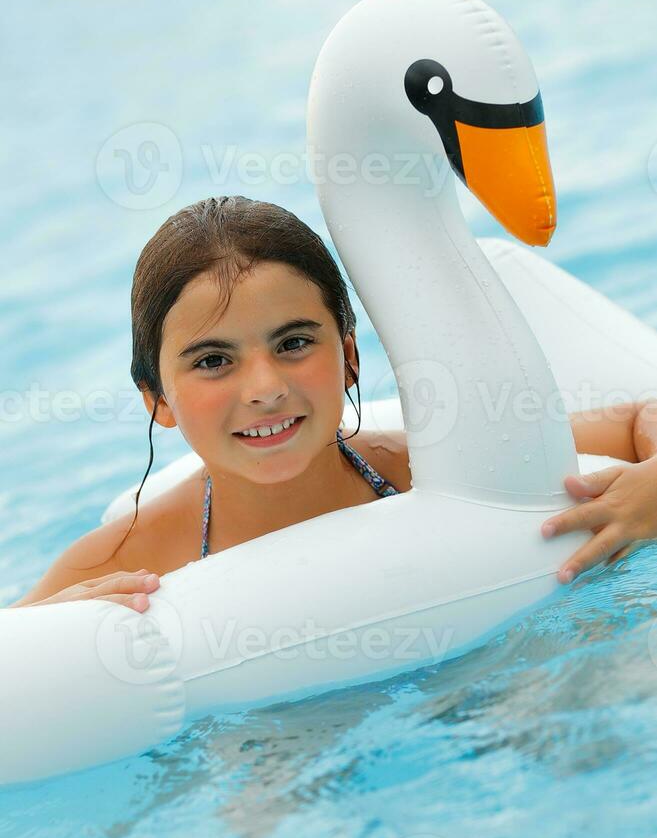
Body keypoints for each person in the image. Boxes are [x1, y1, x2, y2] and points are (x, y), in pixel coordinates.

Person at [10, 196, 657, 611]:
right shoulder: (133, 553)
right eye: (213, 361)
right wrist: (49, 633)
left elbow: (639, 419)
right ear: (157, 399)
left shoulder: (430, 470)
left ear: (349, 354)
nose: (263, 387)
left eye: (292, 343)